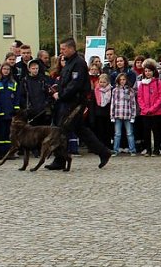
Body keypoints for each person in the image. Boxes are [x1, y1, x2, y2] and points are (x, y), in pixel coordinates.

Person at [46, 38, 112, 170]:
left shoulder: (79, 63)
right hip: (67, 102)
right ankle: (103, 152)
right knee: (79, 129)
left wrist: (61, 95)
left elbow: (75, 84)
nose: (61, 51)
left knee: (62, 129)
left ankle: (60, 159)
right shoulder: (69, 63)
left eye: (63, 49)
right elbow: (64, 81)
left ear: (71, 48)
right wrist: (56, 90)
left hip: (74, 103)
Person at [136, 59, 161, 156]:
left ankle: (156, 149)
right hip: (145, 112)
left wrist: (153, 108)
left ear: (153, 71)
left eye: (149, 71)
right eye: (146, 71)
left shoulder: (158, 82)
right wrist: (144, 108)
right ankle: (148, 149)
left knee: (156, 131)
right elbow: (139, 97)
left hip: (156, 112)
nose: (147, 73)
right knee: (146, 132)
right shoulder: (142, 84)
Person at [0, 63, 19, 158]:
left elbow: (16, 97)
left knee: (9, 133)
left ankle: (9, 152)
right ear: (1, 70)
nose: (6, 71)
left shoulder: (13, 83)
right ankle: (0, 153)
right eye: (4, 69)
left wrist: (16, 108)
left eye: (8, 69)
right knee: (0, 133)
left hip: (10, 112)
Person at [18, 59, 53, 126]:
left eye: (37, 68)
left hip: (42, 111)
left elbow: (48, 93)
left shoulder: (43, 80)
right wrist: (27, 107)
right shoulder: (25, 81)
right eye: (33, 68)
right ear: (29, 69)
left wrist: (46, 104)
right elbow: (22, 95)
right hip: (30, 112)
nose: (35, 70)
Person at [110, 73, 137, 156]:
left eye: (124, 79)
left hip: (128, 115)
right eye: (120, 80)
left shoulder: (130, 90)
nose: (122, 81)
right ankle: (115, 150)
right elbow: (112, 103)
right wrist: (112, 115)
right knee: (117, 134)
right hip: (117, 114)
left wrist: (133, 116)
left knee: (130, 133)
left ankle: (132, 150)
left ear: (126, 80)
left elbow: (133, 104)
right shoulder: (115, 90)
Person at [90, 73, 113, 150]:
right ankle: (100, 147)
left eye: (104, 82)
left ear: (108, 82)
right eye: (100, 82)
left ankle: (107, 146)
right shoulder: (95, 91)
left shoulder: (111, 91)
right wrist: (92, 117)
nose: (102, 84)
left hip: (108, 114)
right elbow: (92, 105)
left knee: (108, 131)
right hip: (98, 114)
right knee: (99, 132)